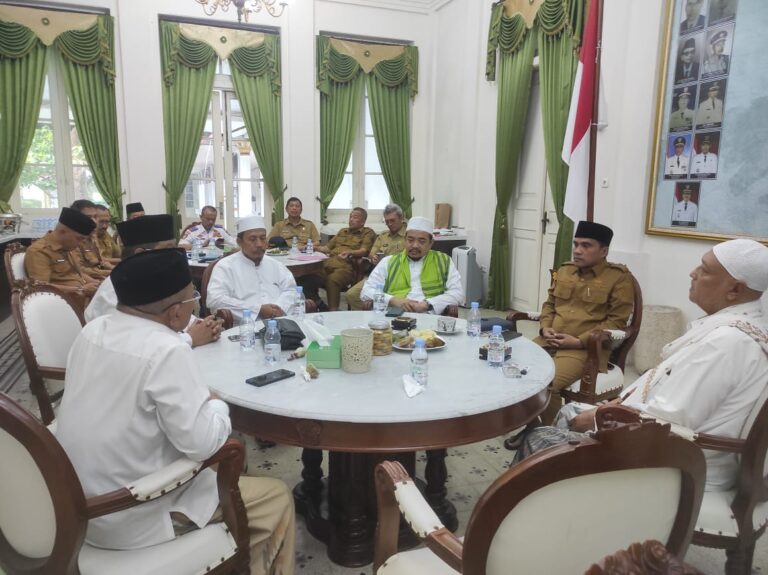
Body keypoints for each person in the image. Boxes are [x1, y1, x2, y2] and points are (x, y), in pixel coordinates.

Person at [55, 249, 295, 573]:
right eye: (192, 298)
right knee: (275, 496)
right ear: (175, 313)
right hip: (130, 512)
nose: (195, 304)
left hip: (73, 502)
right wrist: (216, 402)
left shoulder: (92, 330)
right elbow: (203, 445)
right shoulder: (166, 350)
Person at [512, 239, 768, 492]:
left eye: (705, 269)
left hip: (675, 466)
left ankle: (537, 507)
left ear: (734, 289)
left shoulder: (725, 343)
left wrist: (597, 417)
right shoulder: (735, 331)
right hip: (667, 443)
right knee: (565, 416)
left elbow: (666, 420)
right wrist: (615, 405)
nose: (693, 273)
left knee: (539, 440)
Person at [520, 221, 634, 427]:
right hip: (549, 341)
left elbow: (616, 321)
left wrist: (579, 341)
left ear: (604, 251)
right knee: (513, 370)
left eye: (586, 245)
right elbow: (550, 305)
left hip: (586, 350)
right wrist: (545, 327)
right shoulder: (565, 270)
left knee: (546, 383)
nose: (577, 250)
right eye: (576, 244)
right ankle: (532, 428)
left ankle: (552, 437)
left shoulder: (618, 278)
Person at [85, 214, 222, 348]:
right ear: (141, 254)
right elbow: (130, 345)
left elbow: (172, 311)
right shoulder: (115, 289)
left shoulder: (151, 279)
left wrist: (202, 325)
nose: (175, 255)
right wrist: (190, 338)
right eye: (168, 249)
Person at [360, 216, 463, 314]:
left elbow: (457, 293)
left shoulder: (444, 261)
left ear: (431, 243)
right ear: (404, 240)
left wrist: (428, 304)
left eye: (421, 241)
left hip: (430, 316)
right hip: (395, 316)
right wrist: (393, 300)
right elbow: (366, 291)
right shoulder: (388, 262)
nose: (415, 245)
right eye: (410, 240)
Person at [206, 214, 297, 323]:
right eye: (253, 239)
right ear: (239, 242)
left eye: (263, 238)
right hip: (244, 328)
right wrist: (257, 310)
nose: (259, 244)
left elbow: (292, 290)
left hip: (282, 323)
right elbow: (215, 300)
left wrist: (278, 309)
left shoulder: (276, 265)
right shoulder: (225, 267)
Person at [24, 206, 101, 297]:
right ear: (62, 232)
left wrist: (96, 283)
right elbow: (41, 287)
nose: (80, 244)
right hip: (63, 301)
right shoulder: (39, 251)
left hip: (82, 296)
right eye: (79, 239)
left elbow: (77, 274)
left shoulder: (67, 247)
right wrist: (81, 290)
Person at [346, 204, 407, 310]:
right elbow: (372, 252)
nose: (389, 224)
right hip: (379, 275)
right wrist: (373, 257)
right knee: (351, 295)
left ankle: (385, 311)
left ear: (401, 218)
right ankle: (375, 312)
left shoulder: (409, 235)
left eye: (392, 220)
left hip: (401, 275)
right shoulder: (383, 236)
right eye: (387, 221)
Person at [314, 207, 376, 311]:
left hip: (347, 266)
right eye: (350, 217)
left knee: (332, 280)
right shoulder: (342, 231)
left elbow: (364, 251)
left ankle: (333, 312)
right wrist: (314, 247)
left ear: (363, 221)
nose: (351, 219)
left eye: (355, 217)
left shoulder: (367, 233)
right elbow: (327, 248)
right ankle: (319, 305)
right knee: (309, 278)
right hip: (329, 262)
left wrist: (350, 252)